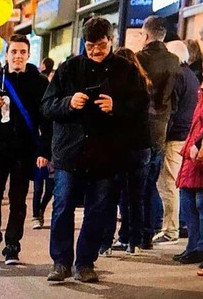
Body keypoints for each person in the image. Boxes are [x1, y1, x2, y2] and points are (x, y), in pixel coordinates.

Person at [42, 17, 148, 283]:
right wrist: (68, 103)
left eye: (100, 45)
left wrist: (117, 107)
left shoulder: (126, 69)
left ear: (110, 41)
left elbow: (141, 109)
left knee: (99, 209)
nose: (96, 52)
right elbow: (46, 106)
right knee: (63, 206)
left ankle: (86, 262)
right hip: (70, 152)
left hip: (107, 153)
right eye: (90, 46)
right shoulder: (69, 68)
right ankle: (60, 261)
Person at [0, 34, 51, 265]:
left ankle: (12, 245)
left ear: (29, 55)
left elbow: (46, 119)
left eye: (22, 52)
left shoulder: (39, 83)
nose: (18, 56)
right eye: (14, 52)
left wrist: (44, 152)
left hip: (25, 150)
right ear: (6, 55)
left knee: (18, 199)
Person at [99, 48, 152, 257]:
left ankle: (106, 242)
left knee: (112, 196)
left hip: (121, 148)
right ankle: (134, 241)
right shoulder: (144, 84)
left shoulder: (117, 88)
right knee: (136, 197)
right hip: (142, 147)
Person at [135, 16, 180, 248]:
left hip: (140, 131)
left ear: (146, 35)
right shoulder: (175, 61)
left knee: (136, 185)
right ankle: (148, 234)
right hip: (162, 131)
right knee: (153, 184)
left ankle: (135, 233)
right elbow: (176, 99)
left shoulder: (138, 59)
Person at [154, 41, 199, 246]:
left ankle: (170, 229)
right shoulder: (191, 76)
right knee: (176, 184)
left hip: (176, 136)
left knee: (168, 183)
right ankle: (175, 226)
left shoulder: (178, 76)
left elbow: (172, 108)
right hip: (185, 135)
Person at [174, 83, 203, 267]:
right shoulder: (199, 90)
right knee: (188, 200)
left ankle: (199, 248)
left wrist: (199, 142)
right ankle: (194, 247)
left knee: (200, 204)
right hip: (192, 150)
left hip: (198, 151)